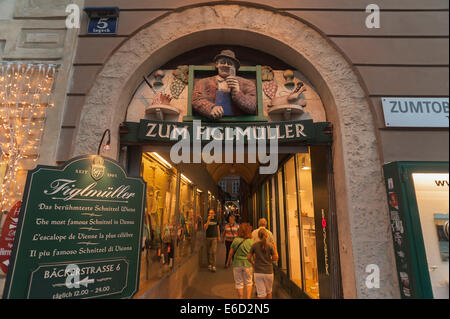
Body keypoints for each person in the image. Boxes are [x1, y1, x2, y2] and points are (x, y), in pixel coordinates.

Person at [192, 49, 257, 120]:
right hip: (211, 125)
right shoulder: (204, 82)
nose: (226, 65)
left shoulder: (247, 83)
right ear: (217, 64)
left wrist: (237, 92)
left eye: (229, 63)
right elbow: (196, 99)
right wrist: (210, 108)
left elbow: (252, 107)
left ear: (234, 67)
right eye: (222, 62)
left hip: (239, 125)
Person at [247, 228, 278, 299]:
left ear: (258, 236)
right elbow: (275, 257)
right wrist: (269, 260)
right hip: (269, 271)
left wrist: (253, 263)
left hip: (258, 272)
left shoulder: (254, 245)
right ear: (266, 236)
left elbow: (248, 257)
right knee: (269, 292)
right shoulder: (270, 245)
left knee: (261, 294)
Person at [226, 223, 254, 299]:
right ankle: (248, 298)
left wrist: (228, 262)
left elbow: (230, 253)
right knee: (249, 282)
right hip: (248, 264)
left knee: (239, 283)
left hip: (237, 264)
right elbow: (253, 255)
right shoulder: (251, 241)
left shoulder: (236, 240)